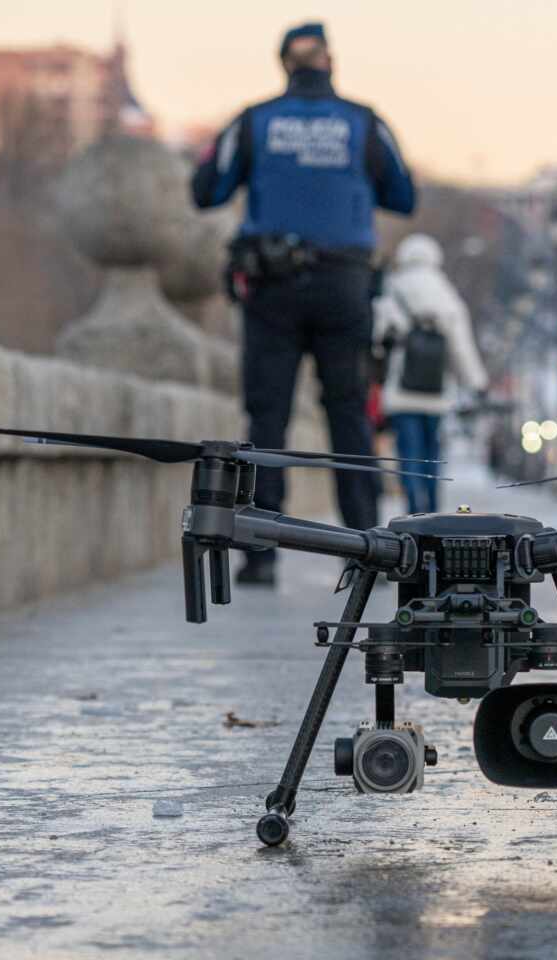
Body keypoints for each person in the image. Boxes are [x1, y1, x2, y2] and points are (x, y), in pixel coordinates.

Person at [191, 21, 416, 586]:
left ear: (283, 65)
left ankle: (262, 553)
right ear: (330, 63)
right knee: (348, 415)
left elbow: (206, 190)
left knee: (268, 416)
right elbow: (404, 195)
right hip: (345, 283)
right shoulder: (365, 121)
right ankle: (367, 548)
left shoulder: (254, 120)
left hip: (272, 285)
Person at [373, 234, 489, 514]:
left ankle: (413, 507)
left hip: (402, 389)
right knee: (432, 453)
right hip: (436, 390)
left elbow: (377, 337)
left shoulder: (393, 288)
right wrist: (477, 382)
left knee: (408, 453)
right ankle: (433, 507)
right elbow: (461, 346)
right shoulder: (444, 292)